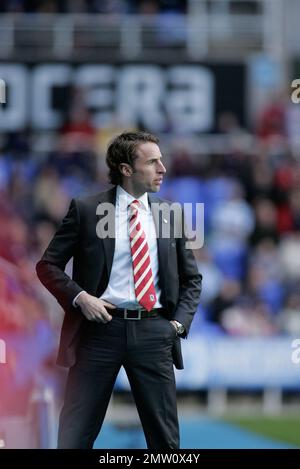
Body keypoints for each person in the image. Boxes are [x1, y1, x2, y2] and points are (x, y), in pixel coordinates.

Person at [36, 131, 202, 449]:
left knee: (166, 443)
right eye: (152, 161)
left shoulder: (171, 213)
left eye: (161, 160)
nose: (162, 168)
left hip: (155, 331)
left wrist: (177, 325)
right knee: (74, 435)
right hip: (99, 332)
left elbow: (192, 280)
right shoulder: (86, 210)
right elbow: (47, 266)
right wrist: (80, 297)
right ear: (126, 169)